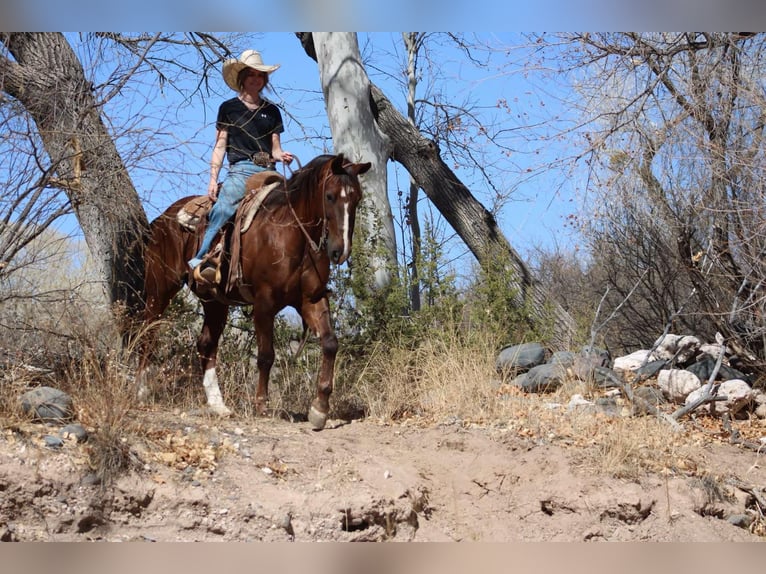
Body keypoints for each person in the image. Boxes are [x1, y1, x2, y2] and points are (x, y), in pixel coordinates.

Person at [188, 49, 294, 275]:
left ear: (264, 80)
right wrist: (213, 179)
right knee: (224, 207)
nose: (256, 79)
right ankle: (205, 257)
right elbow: (220, 146)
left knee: (294, 206)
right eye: (251, 75)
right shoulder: (228, 108)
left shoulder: (272, 111)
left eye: (260, 75)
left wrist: (282, 155)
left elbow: (275, 148)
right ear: (242, 78)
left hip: (270, 171)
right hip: (241, 170)